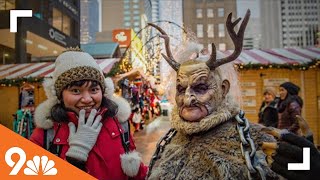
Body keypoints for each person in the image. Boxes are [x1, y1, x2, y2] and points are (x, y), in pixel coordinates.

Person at [147, 11, 282, 179]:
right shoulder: (170, 140)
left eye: (201, 88)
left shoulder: (254, 137)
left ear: (223, 89)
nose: (188, 99)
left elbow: (298, 165)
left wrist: (310, 165)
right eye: (181, 89)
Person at [29, 49, 148, 179]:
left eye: (94, 89)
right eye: (75, 90)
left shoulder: (119, 124)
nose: (87, 99)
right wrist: (74, 158)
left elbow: (139, 174)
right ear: (60, 96)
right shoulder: (45, 135)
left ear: (103, 91)